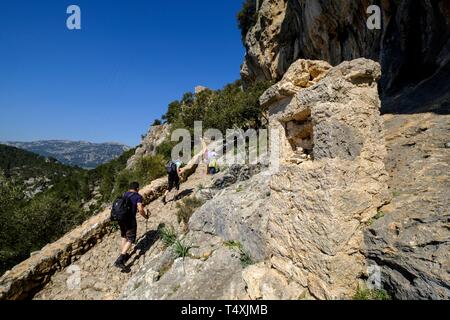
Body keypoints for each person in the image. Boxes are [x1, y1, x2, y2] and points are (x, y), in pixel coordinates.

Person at [114, 181, 149, 270]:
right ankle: (120, 259)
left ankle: (124, 255)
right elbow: (140, 209)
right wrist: (146, 216)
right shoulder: (138, 196)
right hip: (130, 219)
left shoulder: (125, 194)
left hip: (120, 219)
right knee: (131, 238)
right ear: (137, 189)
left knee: (124, 236)